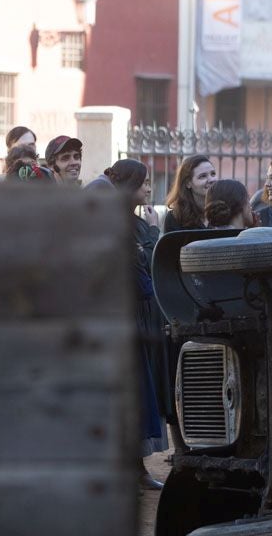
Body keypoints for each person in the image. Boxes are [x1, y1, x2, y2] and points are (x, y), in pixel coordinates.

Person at [101, 159, 169, 489]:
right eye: (143, 182)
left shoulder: (133, 221)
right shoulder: (119, 224)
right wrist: (155, 233)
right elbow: (145, 274)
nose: (149, 188)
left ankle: (136, 469)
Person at [163, 155, 218, 232]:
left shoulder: (226, 211)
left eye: (213, 174)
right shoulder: (175, 218)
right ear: (188, 183)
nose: (211, 179)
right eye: (203, 176)